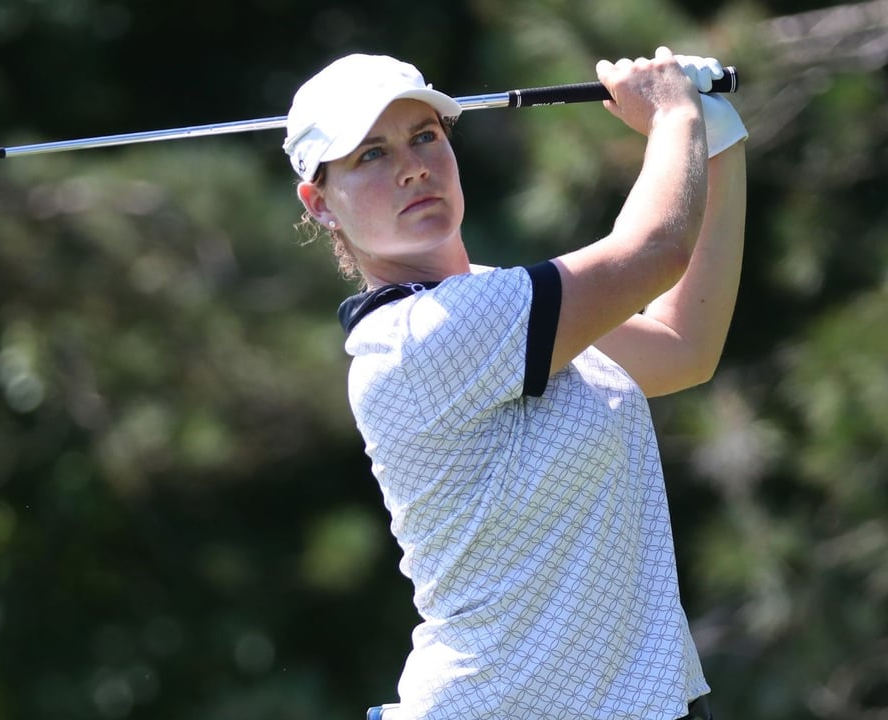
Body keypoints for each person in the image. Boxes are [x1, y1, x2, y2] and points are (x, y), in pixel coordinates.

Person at [283, 47, 747, 720]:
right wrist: (674, 115)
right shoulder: (421, 340)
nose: (414, 166)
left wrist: (715, 139)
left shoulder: (500, 307)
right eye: (371, 156)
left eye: (425, 137)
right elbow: (653, 251)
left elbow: (683, 348)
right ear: (320, 204)